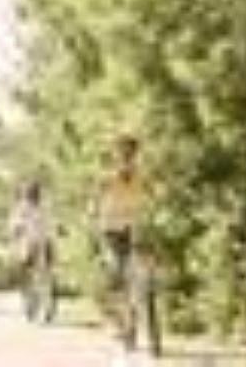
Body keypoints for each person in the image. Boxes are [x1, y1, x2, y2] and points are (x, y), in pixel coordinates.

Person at [92, 133, 155, 354]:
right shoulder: (108, 177)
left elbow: (152, 195)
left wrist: (155, 210)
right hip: (111, 229)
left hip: (134, 227)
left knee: (142, 269)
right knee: (117, 272)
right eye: (123, 152)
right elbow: (96, 198)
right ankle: (119, 320)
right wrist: (95, 212)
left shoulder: (141, 176)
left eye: (131, 152)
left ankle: (139, 309)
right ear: (117, 154)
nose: (127, 156)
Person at [8, 179, 56, 321]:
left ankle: (46, 306)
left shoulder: (45, 207)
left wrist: (57, 231)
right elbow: (14, 226)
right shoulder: (21, 208)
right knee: (27, 275)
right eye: (30, 192)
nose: (32, 195)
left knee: (46, 274)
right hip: (28, 244)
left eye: (34, 192)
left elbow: (51, 224)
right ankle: (30, 304)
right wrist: (17, 230)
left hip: (43, 243)